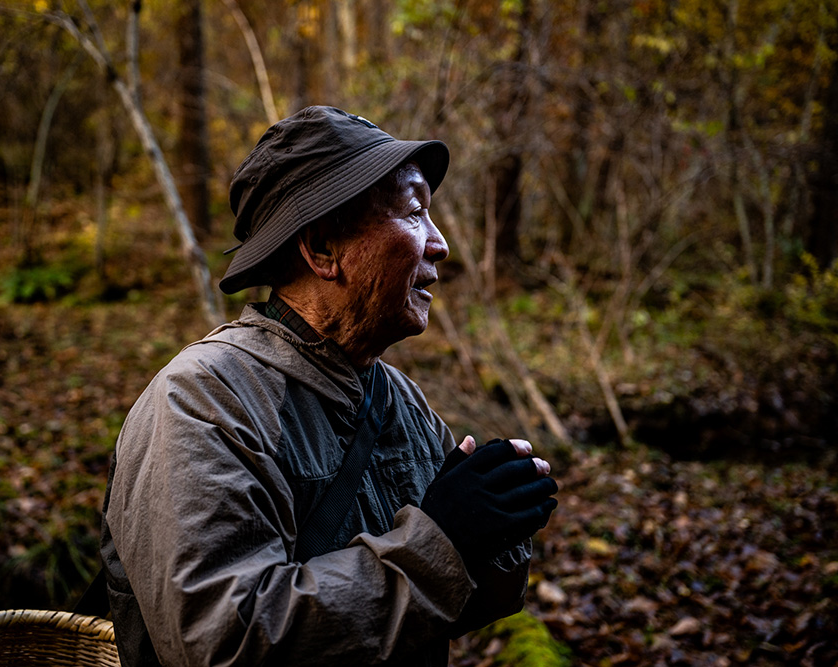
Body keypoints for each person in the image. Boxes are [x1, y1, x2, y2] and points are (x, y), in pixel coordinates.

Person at [99, 106, 559, 666]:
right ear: (321, 250)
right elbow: (224, 642)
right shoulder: (203, 401)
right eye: (415, 213)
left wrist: (496, 532)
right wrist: (442, 544)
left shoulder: (398, 399)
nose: (439, 244)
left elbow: (455, 605)